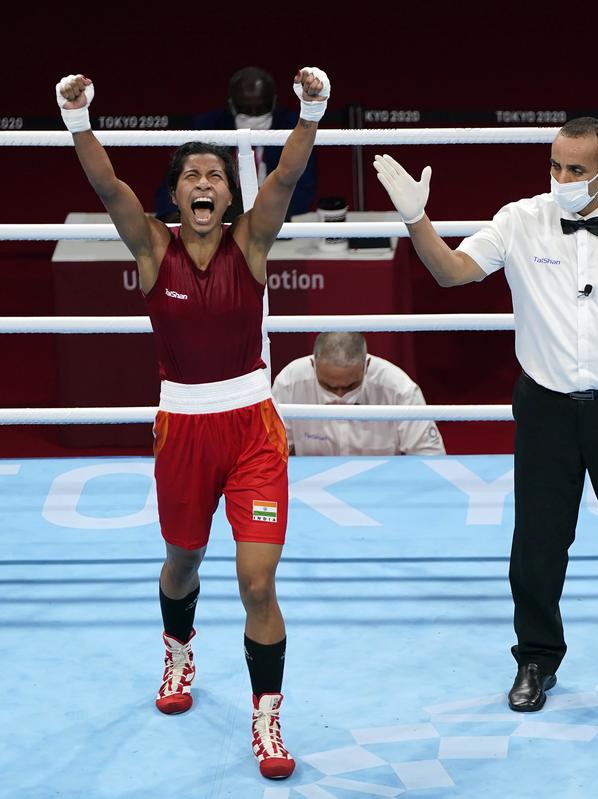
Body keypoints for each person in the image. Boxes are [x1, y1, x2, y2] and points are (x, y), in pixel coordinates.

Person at [58, 66, 331, 779]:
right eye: (192, 174)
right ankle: (178, 650)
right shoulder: (153, 248)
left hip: (252, 429)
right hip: (183, 427)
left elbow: (286, 180)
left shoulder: (252, 242)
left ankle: (267, 717)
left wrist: (309, 109)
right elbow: (107, 188)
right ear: (177, 193)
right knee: (183, 562)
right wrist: (79, 120)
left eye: (215, 173)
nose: (205, 181)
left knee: (257, 583)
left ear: (228, 193)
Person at [373, 117, 598, 712]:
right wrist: (416, 219)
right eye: (554, 166)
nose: (562, 179)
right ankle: (536, 660)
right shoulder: (519, 219)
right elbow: (451, 272)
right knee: (537, 545)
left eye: (575, 170)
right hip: (545, 406)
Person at [154, 66, 317, 222]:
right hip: (216, 218)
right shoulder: (206, 127)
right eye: (245, 109)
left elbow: (303, 186)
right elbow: (174, 179)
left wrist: (272, 215)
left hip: (275, 216)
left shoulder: (293, 127)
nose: (254, 116)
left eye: (262, 108)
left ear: (274, 102)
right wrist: (173, 217)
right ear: (231, 105)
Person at [272, 332, 446, 455]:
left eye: (350, 386)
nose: (339, 396)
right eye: (328, 386)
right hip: (314, 489)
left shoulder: (399, 389)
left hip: (385, 491)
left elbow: (431, 457)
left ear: (367, 365)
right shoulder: (289, 383)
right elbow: (269, 452)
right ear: (313, 365)